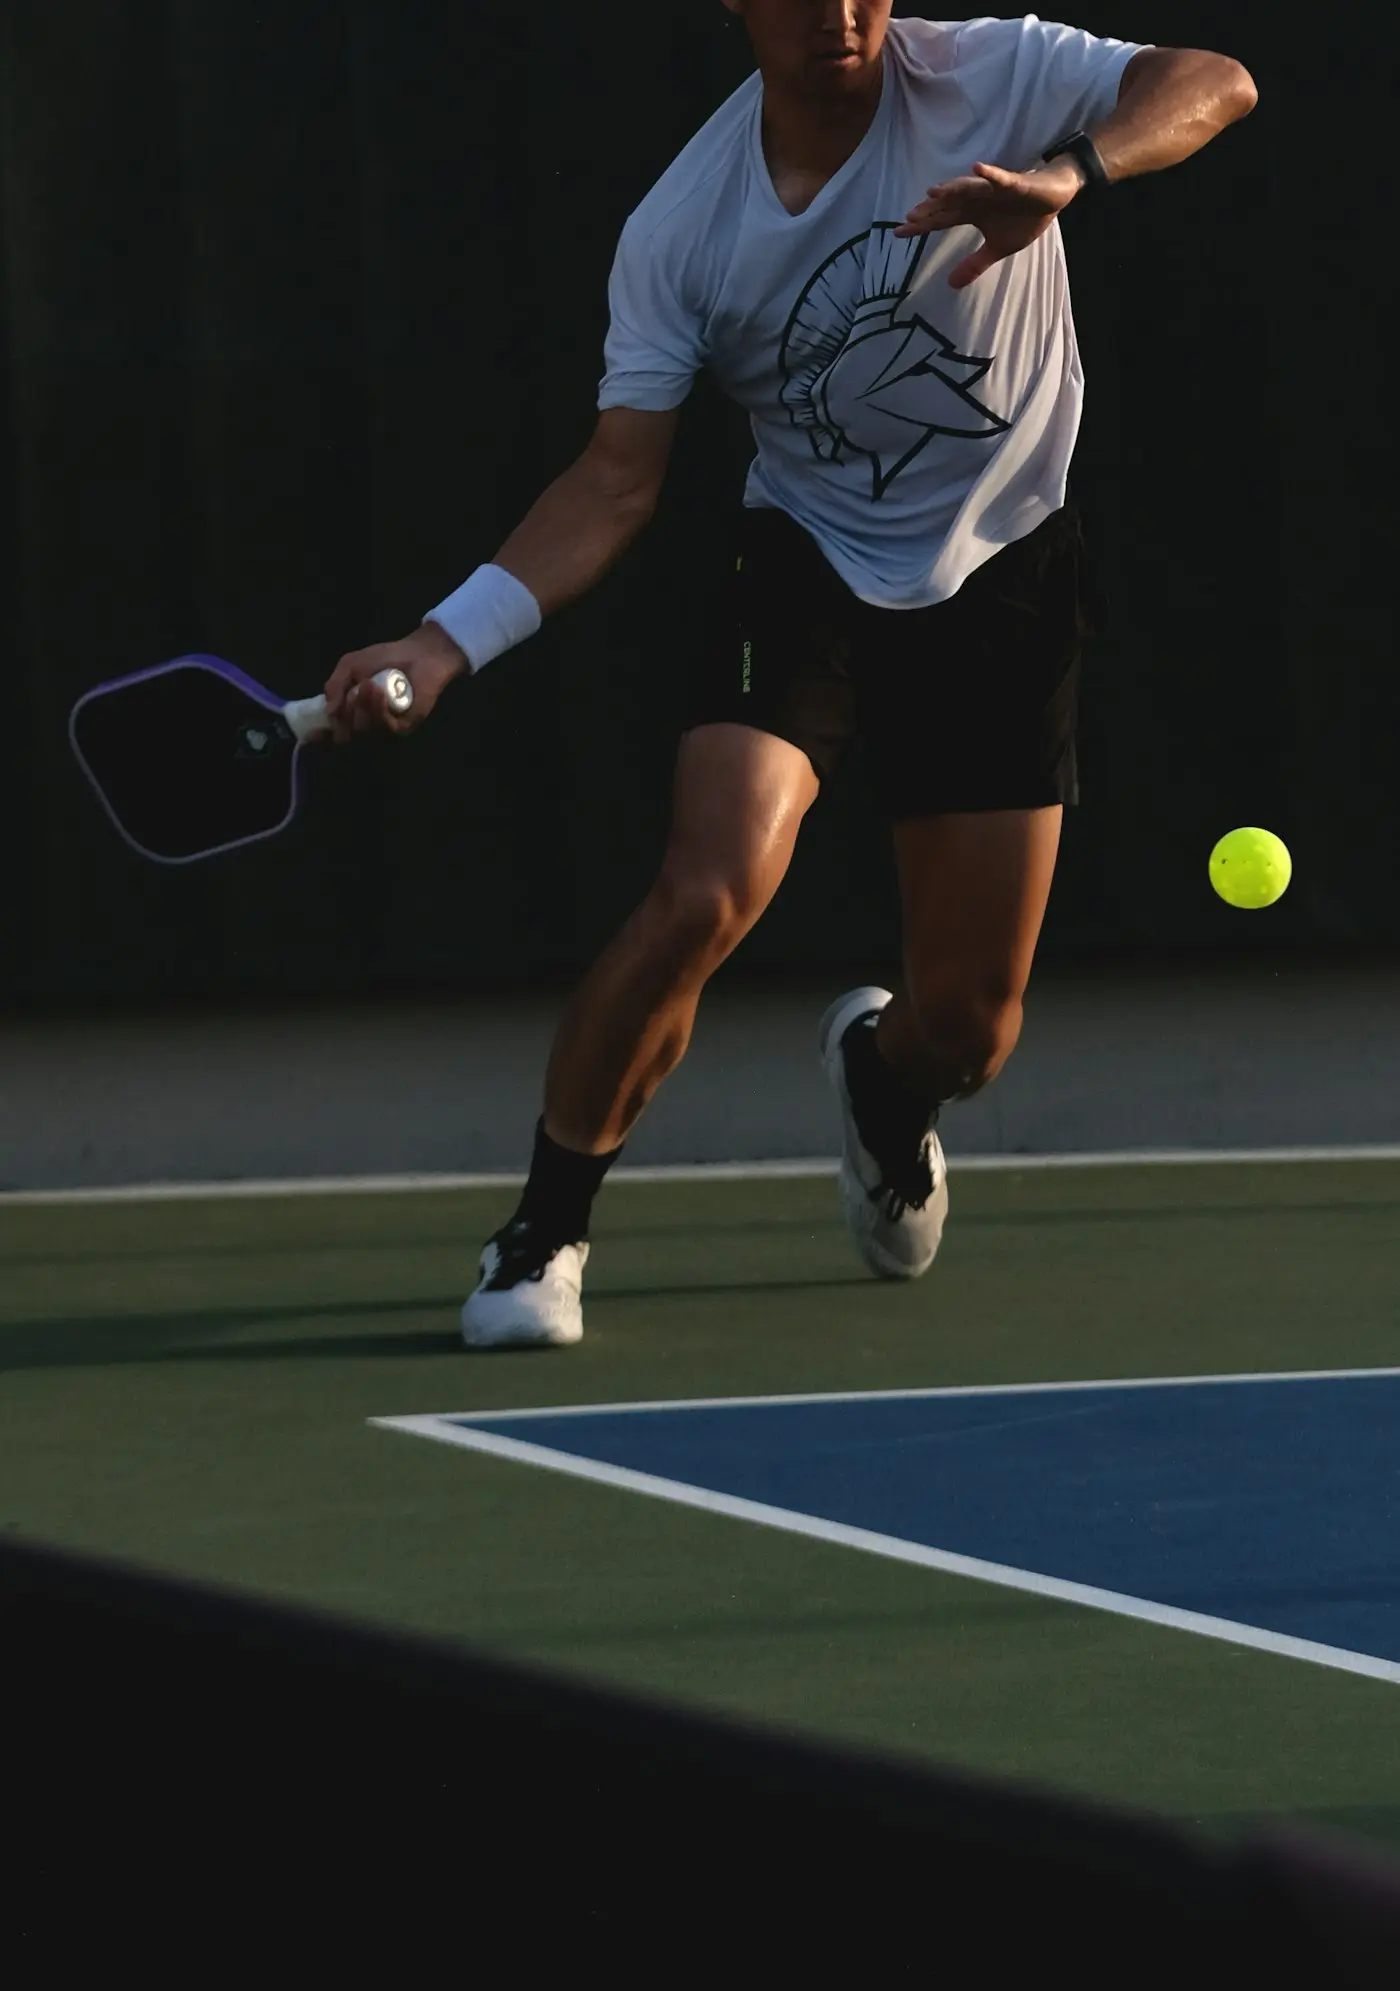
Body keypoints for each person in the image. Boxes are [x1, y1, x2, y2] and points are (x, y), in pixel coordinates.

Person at [324, 5, 1257, 1349]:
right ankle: (542, 1232)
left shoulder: (993, 74)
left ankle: (887, 1084)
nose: (840, 16)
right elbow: (614, 479)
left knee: (971, 1034)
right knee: (706, 889)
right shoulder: (685, 226)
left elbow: (1215, 81)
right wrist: (443, 638)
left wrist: (1070, 174)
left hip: (1007, 570)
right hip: (808, 566)